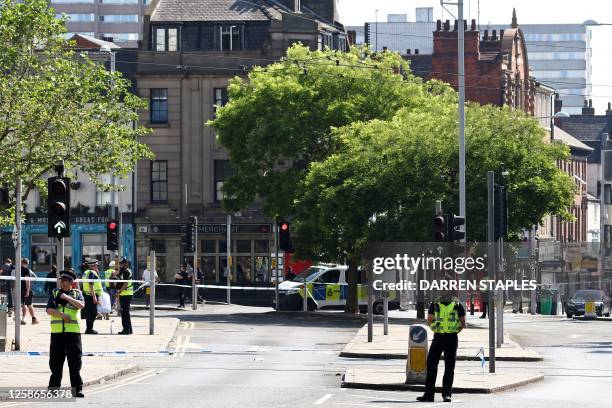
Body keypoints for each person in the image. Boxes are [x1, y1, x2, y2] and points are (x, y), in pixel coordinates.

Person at [417, 291, 466, 403]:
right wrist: (452, 332)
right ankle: (441, 395)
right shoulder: (455, 305)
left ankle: (432, 395)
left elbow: (429, 321)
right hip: (449, 338)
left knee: (435, 366)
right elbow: (463, 324)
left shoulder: (437, 304)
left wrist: (440, 331)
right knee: (445, 367)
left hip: (441, 337)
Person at [46, 269, 85, 398]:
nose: (62, 282)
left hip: (73, 333)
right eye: (61, 280)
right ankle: (53, 389)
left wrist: (67, 297)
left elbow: (81, 305)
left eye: (65, 280)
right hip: (57, 334)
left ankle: (77, 389)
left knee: (75, 363)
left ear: (71, 282)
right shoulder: (55, 292)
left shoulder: (77, 293)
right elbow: (49, 310)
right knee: (55, 363)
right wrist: (62, 315)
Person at [82, 259, 102, 334]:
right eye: (97, 265)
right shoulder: (92, 272)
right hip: (91, 295)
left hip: (87, 295)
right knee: (93, 313)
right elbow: (91, 285)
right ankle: (89, 329)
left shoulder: (86, 272)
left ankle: (89, 328)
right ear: (93, 266)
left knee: (89, 313)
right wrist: (94, 297)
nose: (97, 267)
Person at [116, 258, 133, 335]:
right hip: (125, 294)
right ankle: (129, 329)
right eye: (120, 264)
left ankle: (126, 330)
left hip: (125, 294)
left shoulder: (126, 271)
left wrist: (119, 292)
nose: (121, 265)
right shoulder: (124, 271)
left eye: (122, 264)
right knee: (126, 312)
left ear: (126, 264)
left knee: (124, 312)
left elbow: (125, 284)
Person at [21, 258, 39, 325]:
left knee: (23, 304)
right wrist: (28, 290)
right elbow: (29, 280)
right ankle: (33, 319)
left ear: (21, 262)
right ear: (27, 263)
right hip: (25, 289)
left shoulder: (16, 269)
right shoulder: (27, 270)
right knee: (29, 304)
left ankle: (23, 318)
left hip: (19, 289)